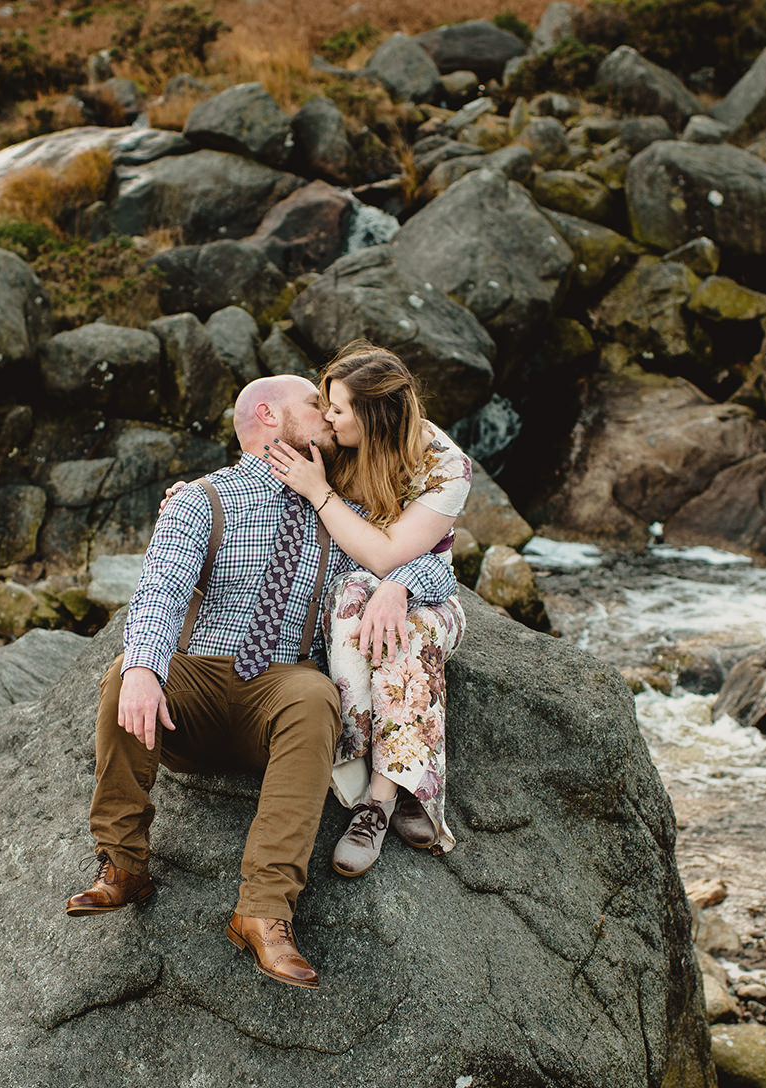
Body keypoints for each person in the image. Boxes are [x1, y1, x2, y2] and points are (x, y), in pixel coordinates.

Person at [65, 373, 458, 990]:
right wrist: (144, 667)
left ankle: (264, 912)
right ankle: (123, 866)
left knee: (313, 696)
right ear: (269, 417)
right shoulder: (199, 500)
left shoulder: (348, 511)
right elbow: (159, 591)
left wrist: (398, 584)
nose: (329, 416)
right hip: (194, 690)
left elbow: (438, 570)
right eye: (314, 405)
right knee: (123, 676)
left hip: (278, 692)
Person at [261, 344, 472, 878]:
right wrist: (192, 496)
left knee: (405, 625)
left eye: (338, 409)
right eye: (326, 406)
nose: (327, 418)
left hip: (428, 595)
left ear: (375, 418)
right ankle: (384, 781)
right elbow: (261, 462)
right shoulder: (340, 442)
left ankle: (375, 803)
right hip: (354, 595)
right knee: (357, 596)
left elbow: (390, 555)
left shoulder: (447, 467)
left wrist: (397, 584)